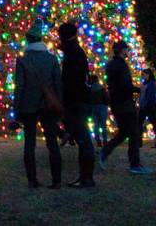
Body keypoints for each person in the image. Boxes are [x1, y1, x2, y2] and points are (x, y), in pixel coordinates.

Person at [13, 22, 63, 189]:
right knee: (52, 142)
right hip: (48, 105)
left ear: (28, 40)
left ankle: (32, 180)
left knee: (29, 144)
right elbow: (58, 84)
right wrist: (59, 104)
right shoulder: (52, 59)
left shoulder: (23, 60)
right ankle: (56, 180)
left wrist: (16, 108)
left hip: (28, 105)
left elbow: (19, 86)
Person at [100, 40, 152, 174]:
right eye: (127, 50)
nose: (128, 52)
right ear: (122, 50)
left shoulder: (111, 65)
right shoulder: (122, 66)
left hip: (115, 102)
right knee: (134, 132)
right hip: (125, 103)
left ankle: (105, 151)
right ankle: (134, 164)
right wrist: (139, 89)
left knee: (123, 132)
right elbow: (125, 85)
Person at [56, 22, 96, 187]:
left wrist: (66, 100)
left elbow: (72, 81)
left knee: (83, 139)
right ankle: (85, 176)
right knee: (82, 138)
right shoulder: (75, 51)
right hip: (79, 100)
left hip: (76, 101)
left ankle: (86, 177)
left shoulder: (73, 53)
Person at [138, 69, 156, 149]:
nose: (142, 76)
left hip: (149, 106)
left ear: (148, 74)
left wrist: (146, 104)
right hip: (144, 106)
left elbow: (150, 96)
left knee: (153, 123)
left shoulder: (151, 84)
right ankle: (139, 141)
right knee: (140, 123)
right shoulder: (145, 83)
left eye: (144, 74)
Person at [89, 74, 110, 147]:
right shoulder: (102, 88)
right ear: (97, 80)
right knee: (103, 125)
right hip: (102, 107)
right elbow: (106, 99)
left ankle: (98, 141)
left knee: (96, 125)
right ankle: (105, 140)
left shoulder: (90, 89)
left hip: (94, 107)